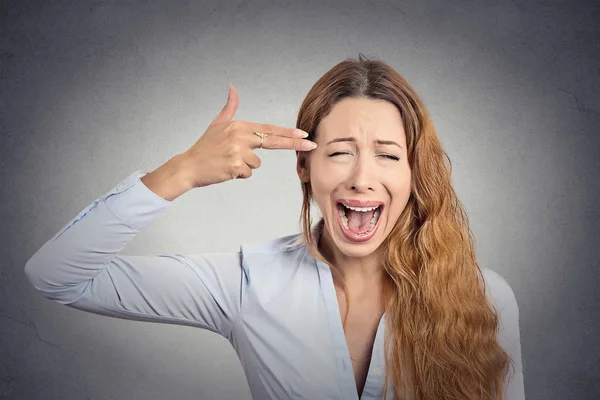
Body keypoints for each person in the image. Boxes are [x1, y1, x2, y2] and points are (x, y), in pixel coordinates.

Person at [24, 54, 525, 400]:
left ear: (414, 174)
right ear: (304, 168)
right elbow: (56, 275)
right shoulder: (247, 283)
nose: (361, 178)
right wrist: (181, 172)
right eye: (339, 153)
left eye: (388, 156)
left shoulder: (485, 298)